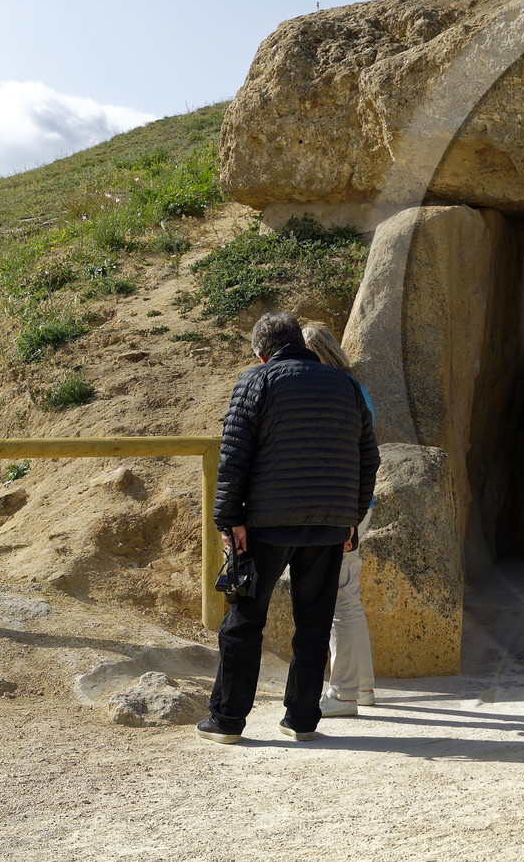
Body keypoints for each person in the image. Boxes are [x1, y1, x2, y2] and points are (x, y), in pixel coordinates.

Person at [198, 311, 378, 744]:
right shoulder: (348, 387)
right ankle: (301, 719)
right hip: (329, 526)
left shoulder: (256, 381)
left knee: (243, 620)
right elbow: (369, 458)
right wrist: (350, 518)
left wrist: (229, 521)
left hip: (268, 525)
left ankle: (227, 720)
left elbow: (233, 457)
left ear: (262, 353)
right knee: (314, 624)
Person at [301, 323, 378, 719]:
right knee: (350, 597)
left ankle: (344, 692)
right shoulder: (355, 387)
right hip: (358, 504)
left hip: (342, 507)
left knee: (340, 602)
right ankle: (362, 687)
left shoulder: (330, 391)